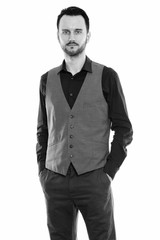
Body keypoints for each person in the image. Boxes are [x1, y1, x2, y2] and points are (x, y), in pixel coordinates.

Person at [36, 6, 133, 240]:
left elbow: (124, 129)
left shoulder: (107, 76)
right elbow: (43, 130)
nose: (72, 37)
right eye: (66, 31)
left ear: (87, 35)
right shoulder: (46, 80)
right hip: (55, 180)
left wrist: (108, 173)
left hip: (94, 179)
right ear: (58, 35)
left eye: (78, 31)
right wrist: (43, 171)